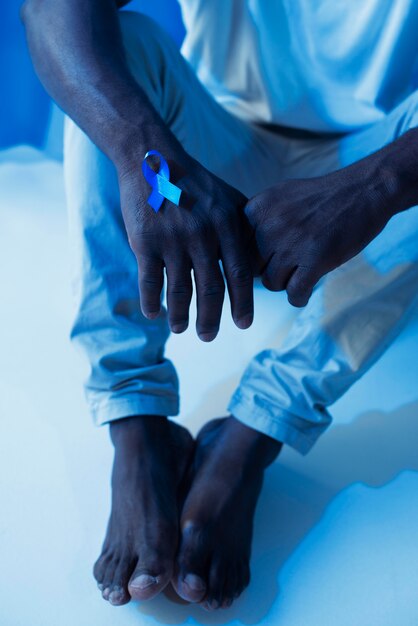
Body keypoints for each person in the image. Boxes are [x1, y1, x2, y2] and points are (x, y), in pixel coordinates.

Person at [22, 0, 418, 611]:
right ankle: (135, 421)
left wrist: (376, 186)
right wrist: (147, 161)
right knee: (109, 55)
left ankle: (251, 433)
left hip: (380, 159)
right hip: (208, 154)